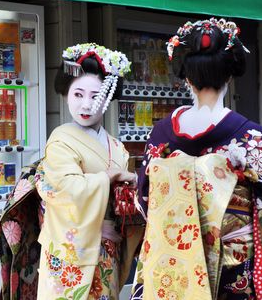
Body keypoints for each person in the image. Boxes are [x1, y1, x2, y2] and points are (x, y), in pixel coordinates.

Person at [132, 18, 262, 299]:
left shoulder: (161, 135)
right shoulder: (250, 136)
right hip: (232, 268)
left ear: (186, 77)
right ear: (229, 75)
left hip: (173, 261)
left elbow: (144, 201)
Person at [35, 43, 143, 300]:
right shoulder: (61, 140)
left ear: (107, 98)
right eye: (78, 95)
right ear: (65, 95)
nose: (86, 105)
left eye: (96, 96)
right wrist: (109, 177)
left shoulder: (116, 147)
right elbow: (66, 190)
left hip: (109, 249)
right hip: (72, 249)